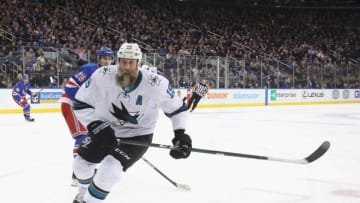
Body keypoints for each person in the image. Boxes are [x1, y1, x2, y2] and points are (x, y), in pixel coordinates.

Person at [72, 42, 191, 203]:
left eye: (131, 62)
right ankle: (84, 192)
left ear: (138, 63)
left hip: (138, 135)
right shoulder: (102, 75)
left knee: (110, 169)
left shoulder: (156, 84)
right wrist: (96, 126)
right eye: (123, 62)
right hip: (105, 130)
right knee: (80, 165)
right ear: (118, 61)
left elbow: (178, 109)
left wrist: (180, 135)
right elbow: (80, 103)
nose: (127, 67)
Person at [59, 47, 114, 186]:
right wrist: (83, 104)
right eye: (104, 58)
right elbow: (70, 87)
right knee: (82, 136)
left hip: (83, 107)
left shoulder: (109, 75)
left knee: (92, 135)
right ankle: (77, 175)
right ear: (99, 59)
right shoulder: (90, 69)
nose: (107, 61)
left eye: (109, 59)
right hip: (71, 104)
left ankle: (84, 170)